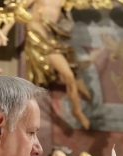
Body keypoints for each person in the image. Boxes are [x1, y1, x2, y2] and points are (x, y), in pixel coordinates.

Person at [24, 0, 92, 129]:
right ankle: (77, 110)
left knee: (71, 72)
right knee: (68, 76)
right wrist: (3, 32)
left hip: (52, 41)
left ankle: (77, 107)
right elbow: (16, 11)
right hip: (38, 40)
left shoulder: (62, 2)